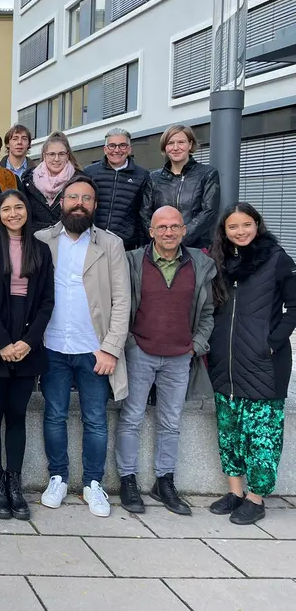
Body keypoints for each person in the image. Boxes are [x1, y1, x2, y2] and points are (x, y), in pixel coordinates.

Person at [35, 174, 130, 518]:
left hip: (95, 350)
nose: (79, 203)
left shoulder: (111, 245)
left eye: (86, 198)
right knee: (54, 415)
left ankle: (93, 483)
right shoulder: (42, 240)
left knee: (95, 419)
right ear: (61, 202)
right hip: (53, 347)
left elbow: (122, 301)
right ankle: (57, 477)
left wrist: (111, 348)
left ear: (94, 205)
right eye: (72, 197)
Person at [116, 206, 215, 516]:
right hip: (141, 351)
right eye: (162, 227)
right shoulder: (132, 261)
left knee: (171, 422)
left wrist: (195, 346)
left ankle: (164, 480)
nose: (169, 232)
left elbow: (209, 312)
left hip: (179, 356)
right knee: (131, 417)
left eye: (175, 226)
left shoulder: (200, 264)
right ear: (151, 231)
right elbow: (119, 304)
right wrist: (130, 343)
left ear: (184, 230)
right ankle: (128, 479)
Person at [206, 203, 296, 525]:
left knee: (262, 434)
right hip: (224, 363)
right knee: (229, 431)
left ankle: (256, 498)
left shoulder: (276, 259)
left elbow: (294, 306)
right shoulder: (218, 261)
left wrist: (271, 342)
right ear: (225, 230)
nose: (240, 231)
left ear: (257, 225)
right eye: (233, 226)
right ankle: (235, 492)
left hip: (264, 363)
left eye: (246, 224)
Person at [0, 189, 54, 520]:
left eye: (19, 207)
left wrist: (28, 342)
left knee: (17, 416)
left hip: (27, 342)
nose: (13, 213)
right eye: (6, 208)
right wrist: (3, 343)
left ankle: (15, 483)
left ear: (27, 211)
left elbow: (47, 300)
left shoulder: (41, 250)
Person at [141, 124, 221, 250]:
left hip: (195, 248)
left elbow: (208, 212)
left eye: (181, 142)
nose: (176, 147)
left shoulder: (207, 174)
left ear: (190, 144)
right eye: (170, 143)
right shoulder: (153, 178)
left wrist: (180, 238)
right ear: (165, 148)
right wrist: (160, 239)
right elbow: (145, 213)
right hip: (161, 249)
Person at [85, 128, 150, 251]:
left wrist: (142, 247)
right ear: (105, 149)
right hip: (92, 242)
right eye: (112, 146)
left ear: (129, 149)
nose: (117, 150)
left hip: (125, 246)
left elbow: (144, 214)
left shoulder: (142, 176)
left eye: (123, 145)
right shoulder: (90, 172)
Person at [20, 131, 81, 233]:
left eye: (61, 154)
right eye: (52, 154)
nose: (56, 159)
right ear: (44, 156)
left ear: (67, 156)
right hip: (36, 241)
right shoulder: (28, 180)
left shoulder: (80, 180)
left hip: (69, 240)